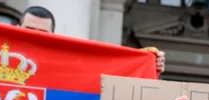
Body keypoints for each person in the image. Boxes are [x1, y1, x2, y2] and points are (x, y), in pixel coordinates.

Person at [19, 5, 166, 74]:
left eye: (43, 33)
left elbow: (111, 71)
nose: (35, 37)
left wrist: (147, 64)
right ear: (17, 28)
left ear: (53, 34)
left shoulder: (67, 64)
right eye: (29, 30)